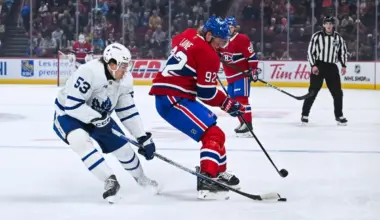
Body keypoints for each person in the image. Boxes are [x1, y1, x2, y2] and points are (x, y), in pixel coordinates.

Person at [149, 16, 245, 199]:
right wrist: (228, 103)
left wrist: (203, 61)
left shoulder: (189, 34)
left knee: (217, 133)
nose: (222, 46)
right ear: (209, 35)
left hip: (173, 94)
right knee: (213, 135)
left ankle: (218, 172)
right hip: (173, 98)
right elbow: (207, 93)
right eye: (220, 41)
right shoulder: (208, 55)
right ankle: (207, 178)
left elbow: (179, 42)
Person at [53, 42, 159, 203]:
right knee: (79, 140)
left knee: (124, 149)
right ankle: (109, 179)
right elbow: (72, 106)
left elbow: (127, 110)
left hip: (100, 116)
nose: (126, 70)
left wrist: (142, 136)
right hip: (69, 115)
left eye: (127, 65)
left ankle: (142, 178)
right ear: (111, 64)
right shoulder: (89, 72)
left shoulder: (125, 79)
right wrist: (96, 118)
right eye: (123, 66)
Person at [302, 16, 348, 125]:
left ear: (333, 25)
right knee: (313, 92)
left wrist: (343, 65)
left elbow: (343, 52)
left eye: (330, 23)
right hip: (319, 66)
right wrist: (313, 65)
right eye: (326, 23)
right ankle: (304, 114)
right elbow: (310, 52)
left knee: (337, 93)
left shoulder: (338, 37)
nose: (328, 25)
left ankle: (339, 116)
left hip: (332, 67)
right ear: (323, 25)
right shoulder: (316, 36)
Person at [219, 16, 259, 137]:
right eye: (226, 27)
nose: (228, 29)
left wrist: (254, 70)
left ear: (235, 28)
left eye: (230, 27)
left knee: (242, 99)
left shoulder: (242, 39)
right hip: (230, 77)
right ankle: (242, 122)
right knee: (233, 102)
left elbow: (251, 56)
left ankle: (248, 125)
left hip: (242, 75)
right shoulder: (221, 40)